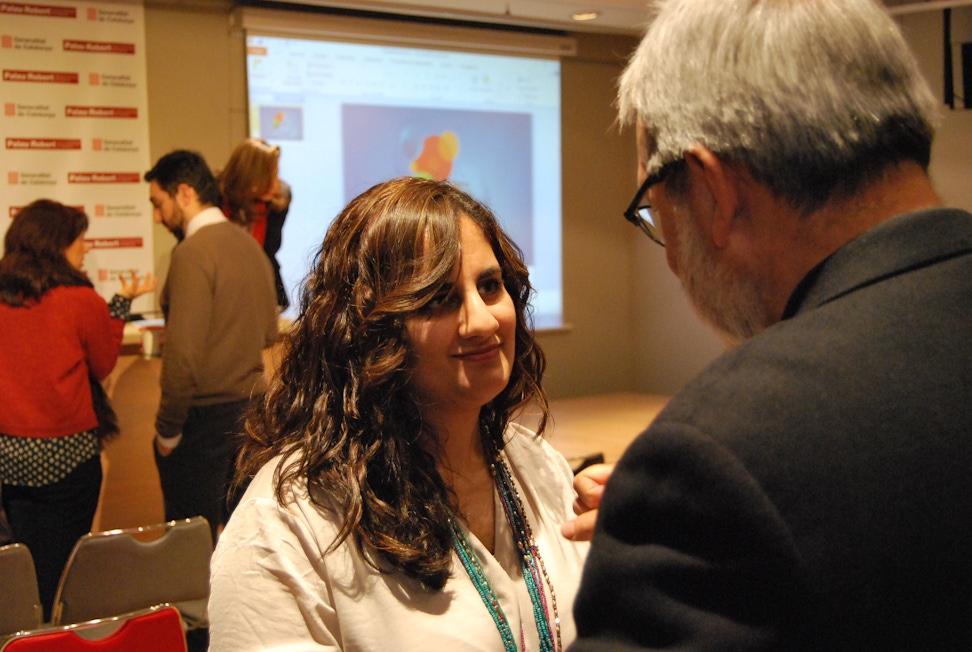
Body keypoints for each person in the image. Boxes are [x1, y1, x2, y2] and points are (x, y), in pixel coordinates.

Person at [566, 0, 972, 650]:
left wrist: (691, 511)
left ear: (714, 191)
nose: (671, 258)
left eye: (654, 209)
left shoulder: (719, 454)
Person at [208, 177, 588, 651]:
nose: (484, 321)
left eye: (490, 286)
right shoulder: (289, 521)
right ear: (370, 331)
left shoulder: (538, 465)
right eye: (437, 299)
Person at [0, 199, 156, 619]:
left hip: (7, 459)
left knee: (18, 563)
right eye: (80, 240)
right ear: (58, 244)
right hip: (68, 459)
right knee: (64, 567)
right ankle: (53, 636)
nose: (85, 249)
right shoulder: (79, 298)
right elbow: (104, 362)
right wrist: (121, 303)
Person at [144, 150, 278, 542]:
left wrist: (167, 432)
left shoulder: (191, 253)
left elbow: (182, 357)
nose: (157, 216)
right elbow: (270, 333)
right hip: (253, 417)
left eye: (158, 203)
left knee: (190, 549)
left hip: (204, 425)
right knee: (244, 544)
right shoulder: (251, 248)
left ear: (184, 192)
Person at [218, 137, 292, 309]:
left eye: (277, 174)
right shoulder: (216, 194)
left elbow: (269, 250)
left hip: (261, 288)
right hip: (221, 287)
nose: (275, 184)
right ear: (250, 175)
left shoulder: (280, 197)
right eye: (270, 176)